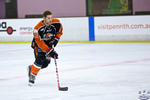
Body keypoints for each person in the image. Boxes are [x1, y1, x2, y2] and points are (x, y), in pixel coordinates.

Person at [28, 10, 63, 86]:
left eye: (51, 18)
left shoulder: (57, 23)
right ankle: (32, 76)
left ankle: (31, 68)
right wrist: (49, 51)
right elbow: (39, 42)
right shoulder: (37, 29)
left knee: (45, 64)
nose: (50, 20)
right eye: (48, 18)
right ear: (43, 18)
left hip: (49, 44)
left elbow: (60, 32)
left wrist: (55, 40)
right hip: (38, 45)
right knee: (39, 60)